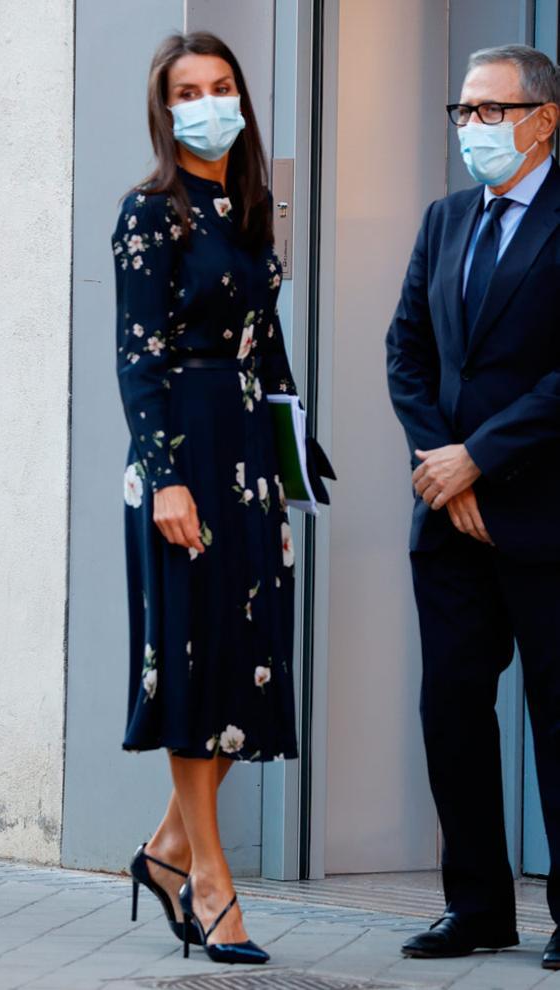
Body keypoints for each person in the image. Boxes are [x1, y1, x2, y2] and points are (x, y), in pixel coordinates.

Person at [112, 32, 300, 965]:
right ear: (165, 107)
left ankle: (164, 852)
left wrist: (296, 451)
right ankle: (212, 885)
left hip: (250, 463)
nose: (207, 102)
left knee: (248, 663)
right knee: (194, 667)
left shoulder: (256, 205)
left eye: (221, 86)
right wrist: (167, 477)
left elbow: (266, 344)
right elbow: (137, 360)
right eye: (188, 91)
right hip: (183, 456)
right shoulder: (150, 212)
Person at [386, 44, 560, 969]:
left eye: (489, 112)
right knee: (452, 706)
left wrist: (481, 460)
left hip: (542, 512)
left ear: (544, 118)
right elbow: (406, 351)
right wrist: (440, 469)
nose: (471, 129)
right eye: (462, 112)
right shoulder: (445, 219)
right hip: (448, 518)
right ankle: (479, 908)